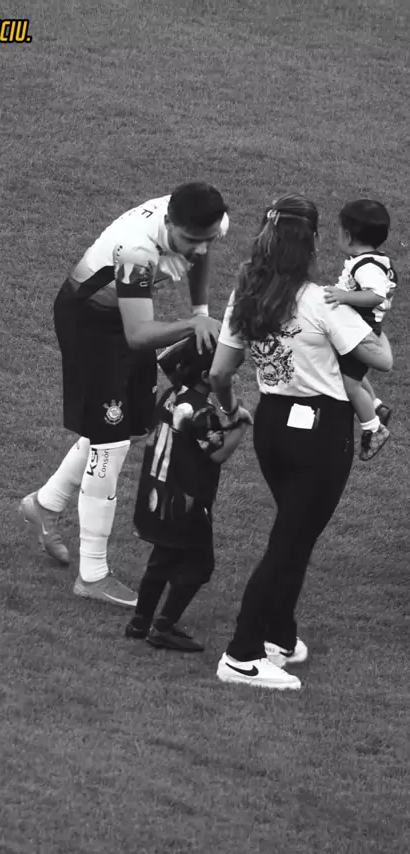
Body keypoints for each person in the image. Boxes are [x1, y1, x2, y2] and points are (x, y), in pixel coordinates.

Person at [209, 194, 393, 691]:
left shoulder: (245, 291)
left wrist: (230, 410)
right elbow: (382, 359)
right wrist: (374, 319)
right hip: (320, 434)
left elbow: (220, 372)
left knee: (295, 534)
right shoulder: (321, 299)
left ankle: (279, 637)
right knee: (289, 543)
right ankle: (242, 655)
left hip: (272, 427)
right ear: (310, 243)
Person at [19, 183, 229, 607]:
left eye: (207, 239)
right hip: (91, 324)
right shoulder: (136, 251)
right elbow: (138, 335)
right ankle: (92, 574)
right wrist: (193, 325)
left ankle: (45, 504)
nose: (200, 249)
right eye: (191, 239)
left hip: (126, 317)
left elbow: (200, 256)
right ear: (169, 222)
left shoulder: (207, 222)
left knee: (133, 426)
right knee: (110, 442)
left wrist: (202, 313)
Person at [126, 335, 251, 650]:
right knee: (200, 566)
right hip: (186, 502)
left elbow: (192, 435)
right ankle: (162, 626)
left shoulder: (172, 395)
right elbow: (217, 453)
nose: (229, 374)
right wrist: (240, 426)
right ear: (206, 376)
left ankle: (139, 623)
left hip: (158, 492)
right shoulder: (201, 412)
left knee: (162, 559)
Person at [324, 200, 397, 461]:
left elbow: (376, 295)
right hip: (357, 327)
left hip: (360, 330)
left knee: (350, 383)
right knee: (347, 370)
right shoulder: (371, 260)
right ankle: (376, 406)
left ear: (348, 235)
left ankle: (373, 429)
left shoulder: (365, 266)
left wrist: (344, 296)